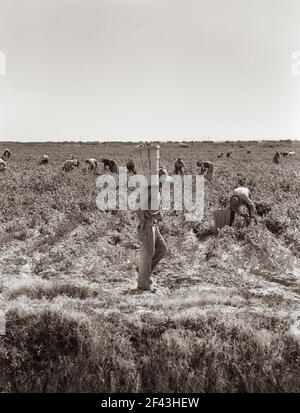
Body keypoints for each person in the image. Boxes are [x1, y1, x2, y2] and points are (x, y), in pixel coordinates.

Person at [135, 185, 168, 291]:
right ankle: (144, 285)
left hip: (153, 224)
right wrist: (143, 221)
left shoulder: (158, 190)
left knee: (162, 249)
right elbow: (138, 205)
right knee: (148, 253)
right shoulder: (150, 189)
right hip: (147, 225)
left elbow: (152, 207)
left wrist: (157, 214)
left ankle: (142, 270)